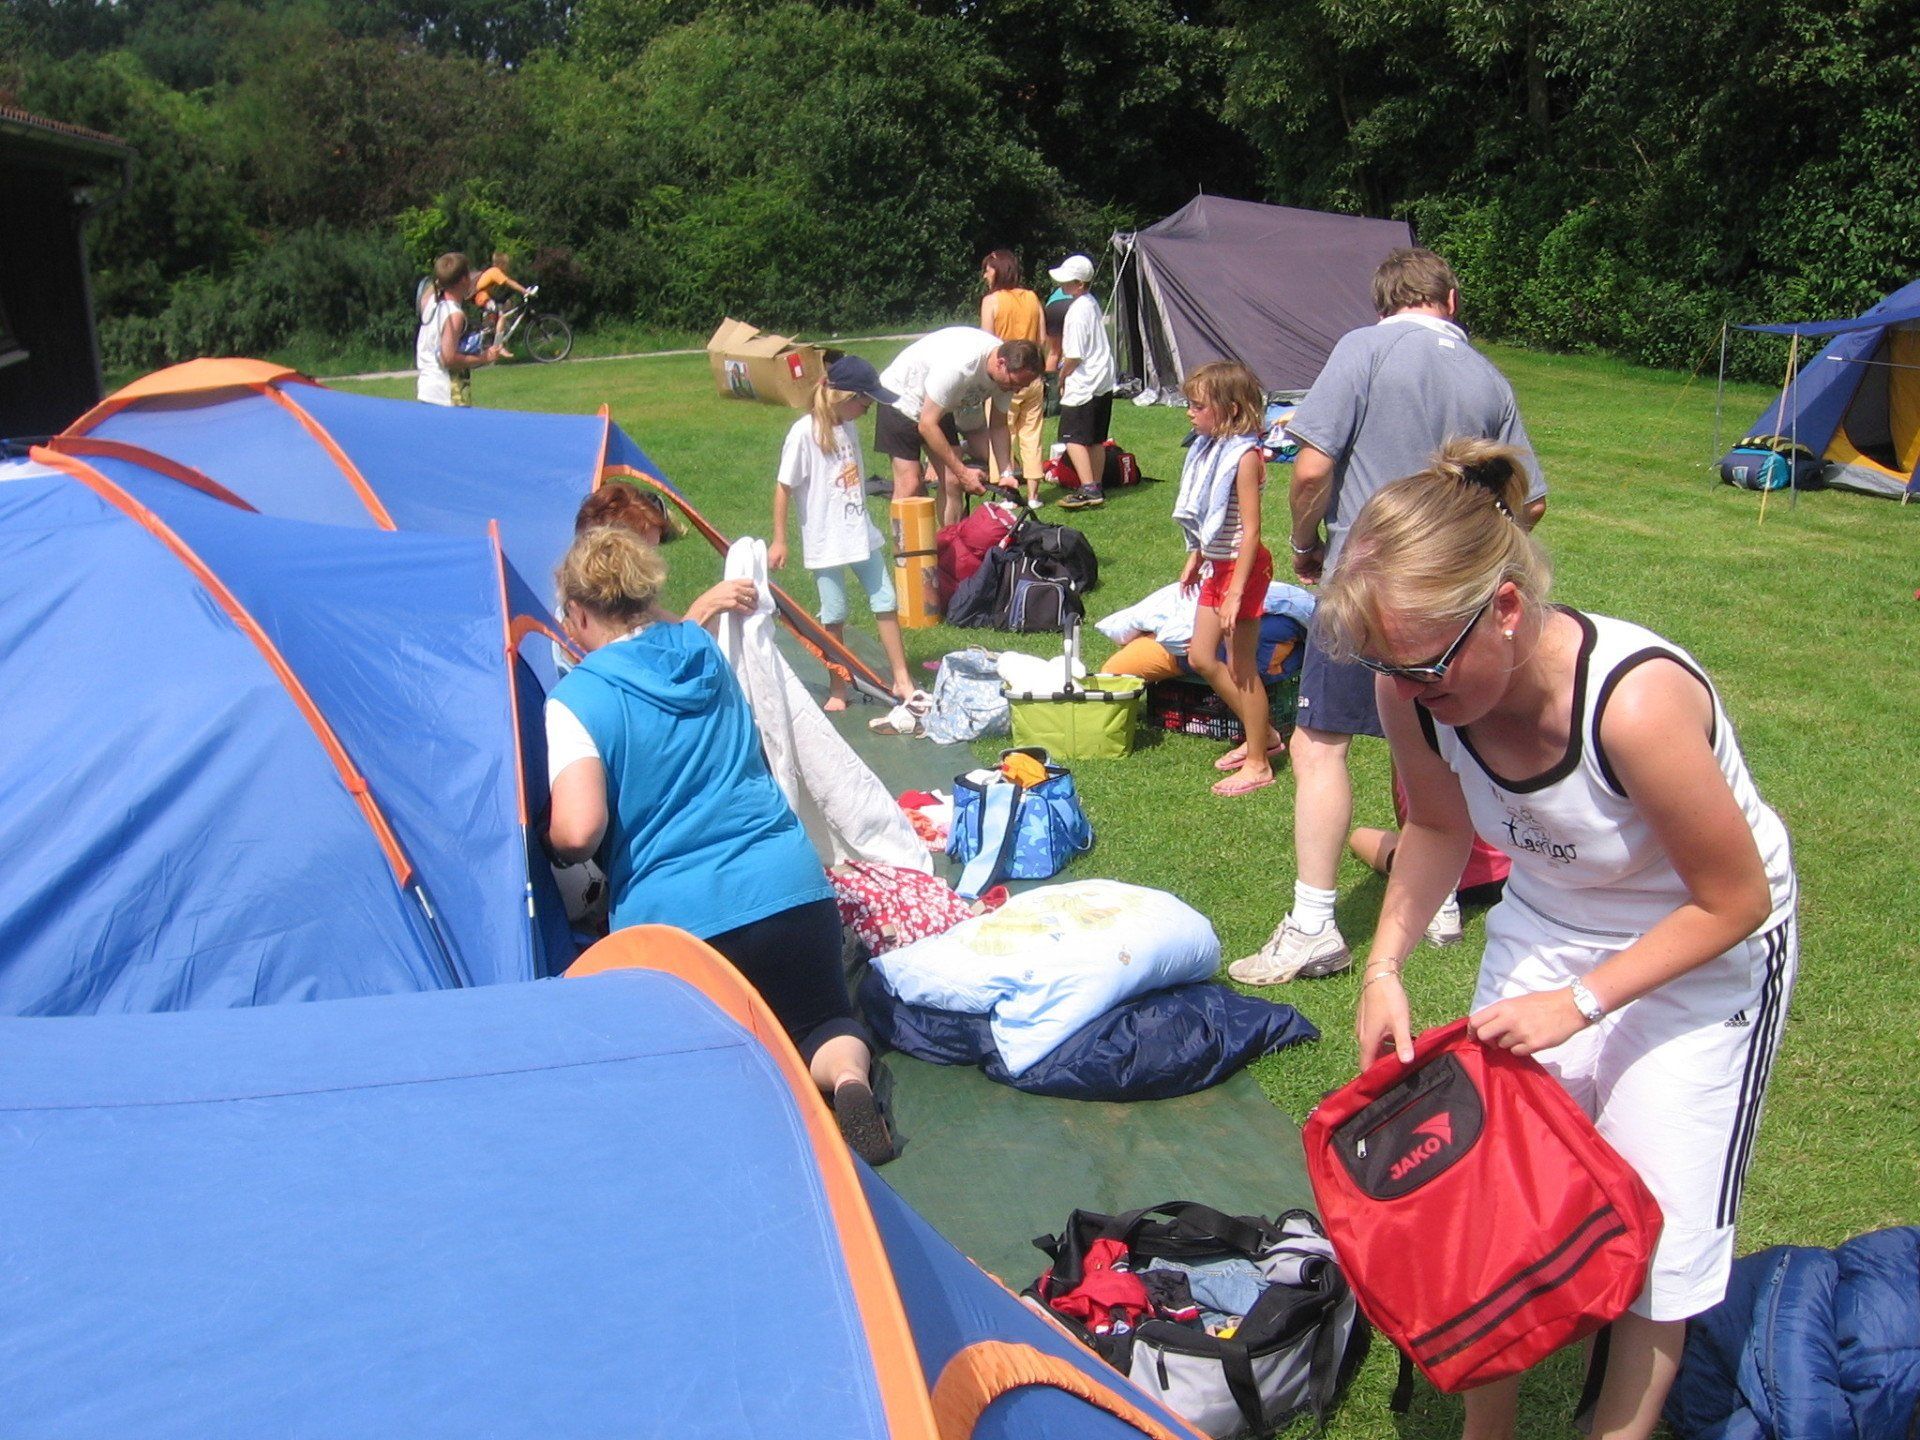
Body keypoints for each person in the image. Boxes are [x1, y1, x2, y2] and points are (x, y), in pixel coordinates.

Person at [1320, 439, 1797, 1440]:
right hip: (1550, 921)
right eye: (1388, 668)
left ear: (1504, 608)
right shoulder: (1415, 692)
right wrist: (1383, 967)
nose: (1409, 690)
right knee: (1493, 1189)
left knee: (1658, 1229)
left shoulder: (1634, 703)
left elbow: (1734, 900)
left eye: (1426, 667)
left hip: (1703, 947)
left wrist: (1580, 1004)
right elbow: (1438, 826)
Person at [1232, 247, 1546, 983]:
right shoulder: (1488, 375)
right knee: (1434, 744)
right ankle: (1440, 903)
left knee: (1320, 745)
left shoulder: (1362, 350)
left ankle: (1314, 925)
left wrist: (1305, 544)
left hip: (1369, 584)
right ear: (1451, 299)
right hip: (1456, 598)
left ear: (1382, 302)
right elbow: (1528, 502)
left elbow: (1311, 468)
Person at [544, 526, 894, 1165]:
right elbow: (673, 633)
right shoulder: (700, 650)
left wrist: (550, 846)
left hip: (680, 922)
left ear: (578, 612)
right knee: (822, 1023)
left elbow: (578, 828)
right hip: (788, 887)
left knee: (693, 1066)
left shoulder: (577, 697)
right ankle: (848, 1079)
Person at [769, 355, 917, 706]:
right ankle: (838, 687)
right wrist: (779, 540)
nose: (868, 410)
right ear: (847, 397)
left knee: (886, 600)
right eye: (866, 403)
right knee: (834, 613)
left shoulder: (848, 427)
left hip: (860, 533)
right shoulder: (803, 433)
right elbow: (783, 487)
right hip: (826, 541)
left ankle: (902, 680)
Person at [1171, 361, 1276, 797]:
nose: (1190, 413)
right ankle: (1264, 734)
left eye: (1198, 406)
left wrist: (1235, 593)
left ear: (1230, 409)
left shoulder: (1244, 457)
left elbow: (1251, 532)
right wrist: (1196, 554)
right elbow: (1211, 515)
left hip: (1243, 570)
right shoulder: (1210, 448)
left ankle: (1259, 764)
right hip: (1218, 566)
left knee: (1241, 667)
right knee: (1200, 656)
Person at [876, 327, 1043, 527]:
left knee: (952, 481)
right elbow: (927, 425)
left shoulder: (1008, 376)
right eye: (1014, 383)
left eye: (1022, 386)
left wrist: (1006, 474)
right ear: (1001, 363)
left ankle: (951, 541)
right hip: (901, 397)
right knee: (910, 484)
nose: (1016, 390)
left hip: (940, 404)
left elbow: (998, 426)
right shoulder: (962, 367)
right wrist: (964, 473)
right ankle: (904, 547)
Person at [977, 249, 1046, 507]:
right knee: (1032, 434)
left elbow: (986, 342)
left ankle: (1007, 492)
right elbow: (1041, 339)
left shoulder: (991, 301)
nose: (985, 275)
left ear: (997, 271)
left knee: (1001, 431)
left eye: (987, 270)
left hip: (1005, 377)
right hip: (1033, 377)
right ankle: (1034, 495)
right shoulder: (1032, 297)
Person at [1051, 254, 1117, 513]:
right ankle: (1096, 486)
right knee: (1096, 437)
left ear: (1079, 284)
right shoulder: (1090, 303)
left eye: (1068, 280)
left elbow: (1074, 356)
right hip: (1102, 377)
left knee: (1072, 437)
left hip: (1085, 381)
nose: (1062, 284)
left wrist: (1062, 376)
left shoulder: (1077, 312)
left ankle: (1088, 488)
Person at [415, 252, 498, 407]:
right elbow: (448, 358)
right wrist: (484, 358)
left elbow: (434, 286)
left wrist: (443, 276)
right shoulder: (455, 315)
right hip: (446, 393)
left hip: (426, 389)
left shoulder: (430, 302)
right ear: (463, 280)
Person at [471, 250, 532, 357]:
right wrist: (525, 291)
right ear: (500, 264)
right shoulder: (495, 271)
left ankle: (496, 330)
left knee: (507, 304)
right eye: (506, 264)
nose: (507, 267)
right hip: (483, 298)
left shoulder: (493, 272)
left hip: (486, 298)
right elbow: (510, 283)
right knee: (502, 317)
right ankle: (499, 346)